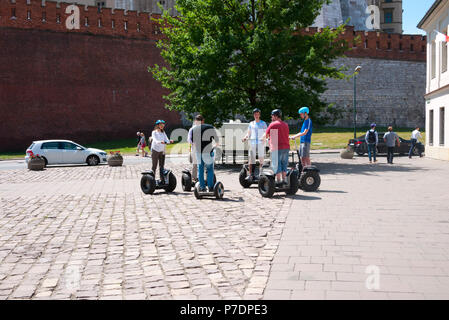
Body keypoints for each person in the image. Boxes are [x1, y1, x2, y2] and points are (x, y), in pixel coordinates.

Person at [191, 115, 220, 192]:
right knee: (210, 169)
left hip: (198, 151)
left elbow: (193, 142)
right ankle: (210, 187)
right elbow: (217, 141)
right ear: (203, 120)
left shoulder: (194, 129)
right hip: (207, 151)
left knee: (200, 169)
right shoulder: (210, 127)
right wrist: (213, 146)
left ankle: (202, 187)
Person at [264, 109, 290, 186]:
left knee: (276, 164)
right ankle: (284, 180)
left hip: (276, 147)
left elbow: (266, 135)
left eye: (272, 116)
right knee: (284, 164)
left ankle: (278, 181)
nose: (271, 117)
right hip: (286, 147)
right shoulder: (285, 124)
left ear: (275, 116)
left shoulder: (273, 124)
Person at [242, 108, 268, 182]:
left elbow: (266, 132)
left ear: (259, 115)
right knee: (251, 159)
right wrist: (245, 137)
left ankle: (261, 174)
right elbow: (248, 133)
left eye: (257, 114)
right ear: (253, 115)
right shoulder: (251, 123)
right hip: (252, 142)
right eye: (255, 114)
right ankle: (250, 175)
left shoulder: (263, 123)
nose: (256, 115)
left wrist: (264, 138)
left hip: (260, 142)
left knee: (261, 159)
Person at [187, 115, 203, 182]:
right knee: (195, 163)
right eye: (197, 121)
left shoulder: (203, 128)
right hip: (195, 147)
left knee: (202, 163)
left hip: (203, 147)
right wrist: (193, 143)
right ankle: (194, 178)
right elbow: (189, 139)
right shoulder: (192, 129)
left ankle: (201, 177)